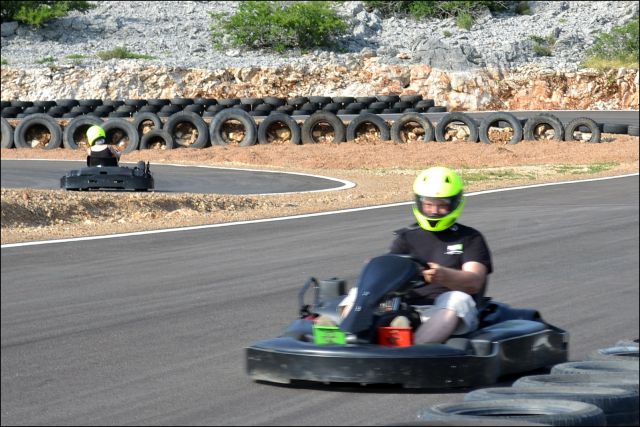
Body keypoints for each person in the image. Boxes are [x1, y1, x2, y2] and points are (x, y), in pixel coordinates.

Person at [339, 166, 493, 344]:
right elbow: (389, 267)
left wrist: (443, 275)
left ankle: (412, 350)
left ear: (455, 203)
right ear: (419, 203)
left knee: (457, 299)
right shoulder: (407, 236)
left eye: (441, 205)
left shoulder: (470, 238)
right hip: (405, 305)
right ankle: (346, 338)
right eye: (429, 204)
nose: (434, 211)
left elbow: (474, 281)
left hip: (442, 311)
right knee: (360, 291)